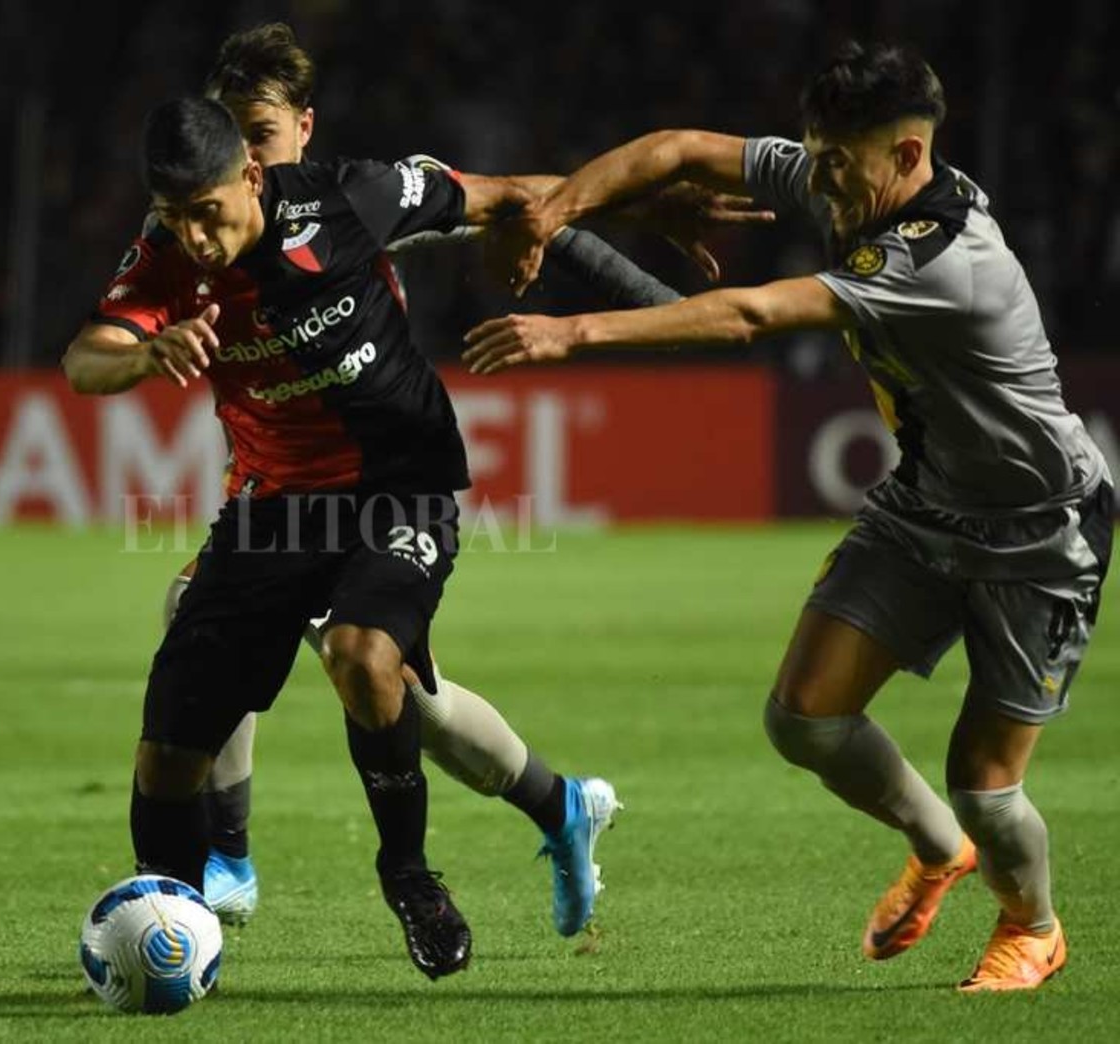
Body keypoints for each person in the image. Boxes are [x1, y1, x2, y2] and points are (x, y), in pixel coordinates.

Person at [465, 41, 1112, 992]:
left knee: (986, 781)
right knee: (803, 719)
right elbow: (682, 149)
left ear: (904, 157)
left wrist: (573, 329)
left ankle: (1033, 927)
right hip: (925, 508)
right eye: (813, 154)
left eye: (837, 163)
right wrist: (554, 215)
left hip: (1039, 531)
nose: (820, 178)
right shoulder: (847, 175)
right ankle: (936, 849)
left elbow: (753, 317)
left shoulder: (943, 259)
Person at [63, 93, 570, 979]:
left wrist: (587, 208)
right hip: (274, 508)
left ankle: (407, 876)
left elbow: (502, 193)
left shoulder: (347, 199)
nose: (194, 236)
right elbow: (83, 358)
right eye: (174, 216)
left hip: (398, 488)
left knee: (362, 653)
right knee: (167, 754)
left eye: (208, 213)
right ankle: (176, 928)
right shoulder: (162, 257)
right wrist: (143, 354)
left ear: (251, 177)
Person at [160, 22, 634, 938]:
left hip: (372, 484)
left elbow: (508, 197)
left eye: (256, 132)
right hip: (275, 488)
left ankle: (555, 805)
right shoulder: (199, 222)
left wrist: (585, 228)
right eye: (226, 132)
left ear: (302, 127)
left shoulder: (353, 198)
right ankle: (232, 856)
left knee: (398, 692)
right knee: (234, 634)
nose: (238, 152)